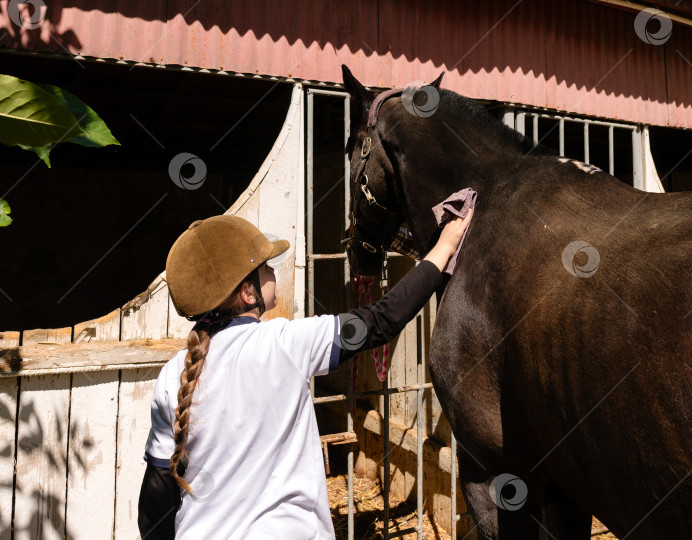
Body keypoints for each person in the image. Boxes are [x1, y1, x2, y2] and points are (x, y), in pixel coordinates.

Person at [137, 208, 473, 539]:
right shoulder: (285, 343)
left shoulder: (173, 374)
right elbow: (382, 321)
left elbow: (155, 502)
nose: (273, 273)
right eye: (266, 267)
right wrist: (444, 247)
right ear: (247, 292)